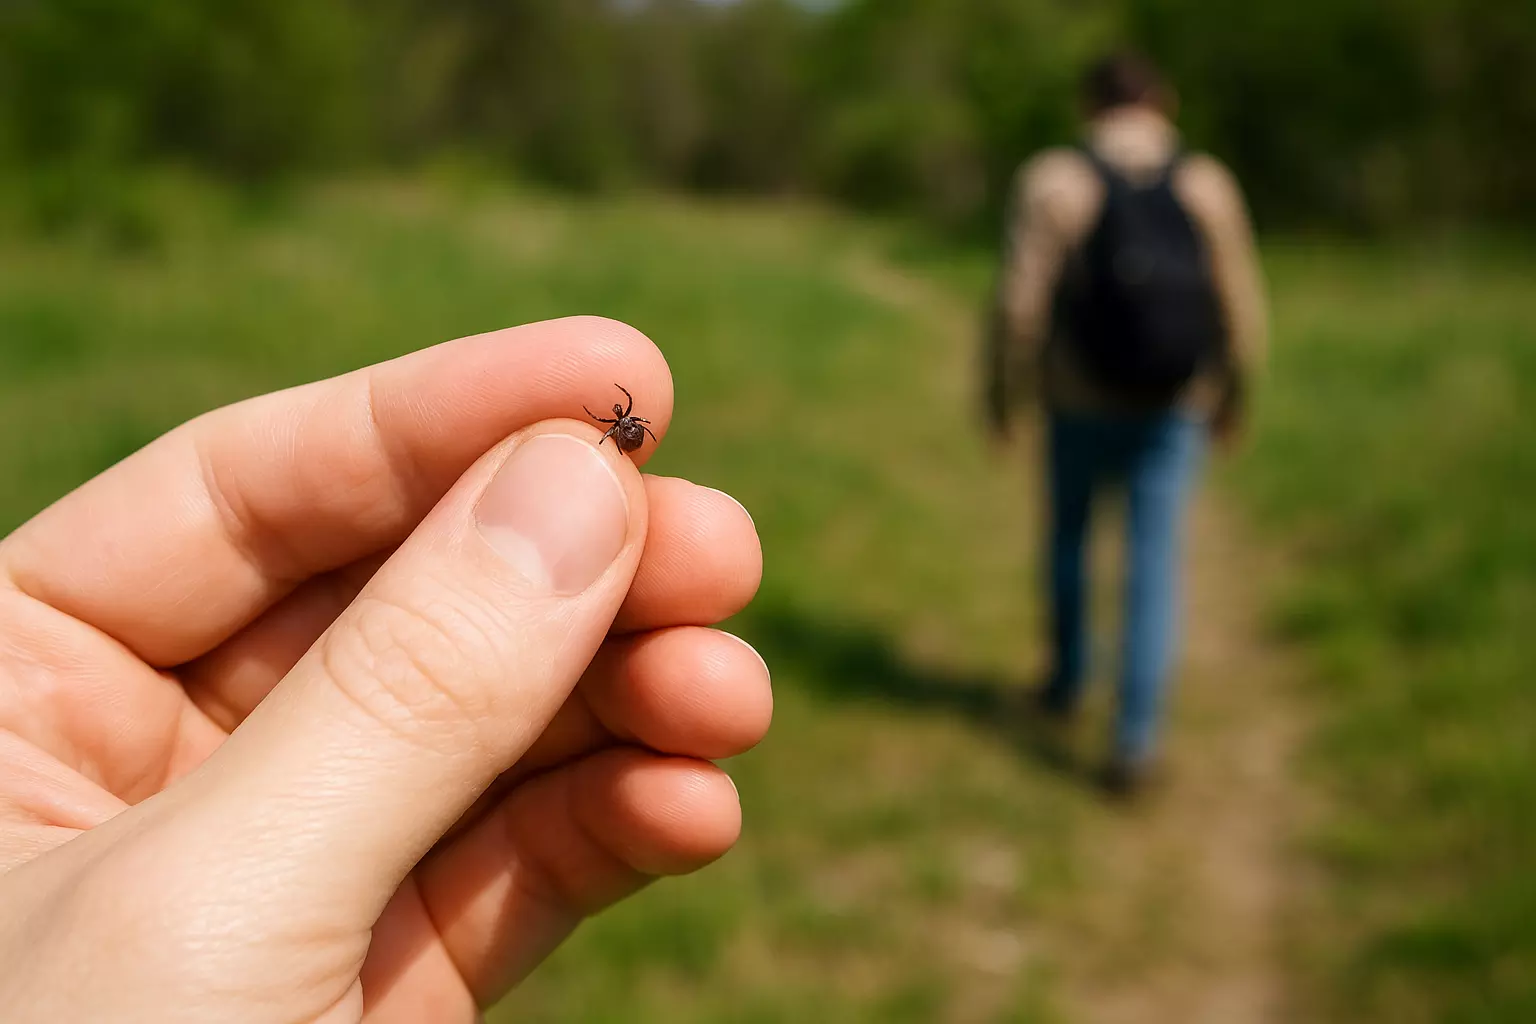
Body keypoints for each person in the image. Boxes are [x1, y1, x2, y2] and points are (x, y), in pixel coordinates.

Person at [0, 316, 771, 1021]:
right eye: (621, 425)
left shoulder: (609, 433)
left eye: (622, 426)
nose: (623, 428)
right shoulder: (617, 435)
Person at [985, 52, 1268, 794]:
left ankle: (1067, 682)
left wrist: (1004, 397)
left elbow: (1018, 307)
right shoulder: (1206, 182)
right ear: (1162, 102)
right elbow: (1242, 307)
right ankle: (1136, 740)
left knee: (1069, 541)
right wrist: (1234, 398)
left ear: (1090, 105)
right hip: (1175, 404)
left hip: (1076, 400)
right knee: (1155, 560)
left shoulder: (1053, 180)